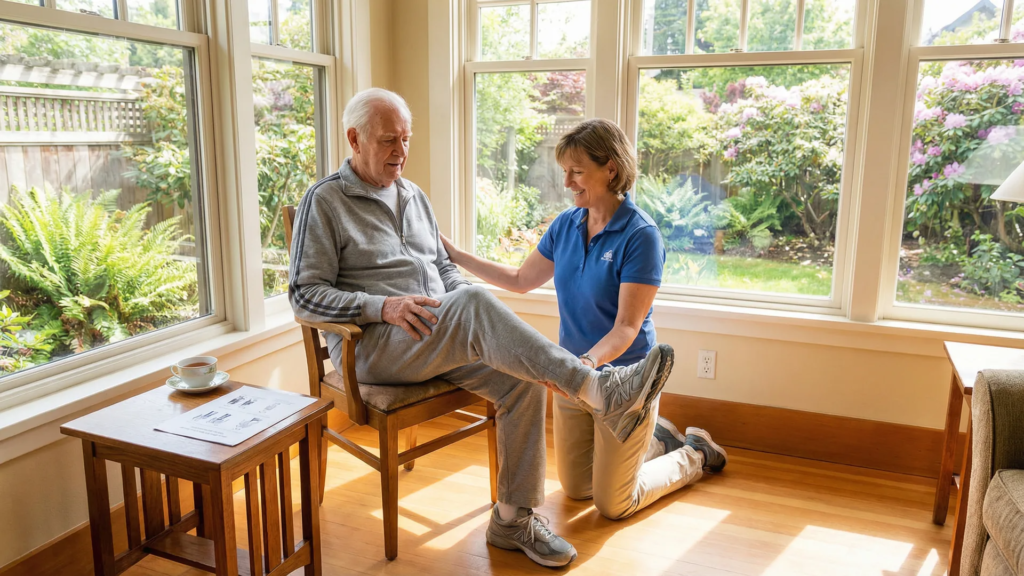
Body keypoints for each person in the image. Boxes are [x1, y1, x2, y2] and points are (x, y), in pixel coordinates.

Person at [289, 89, 676, 568]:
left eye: (406, 140)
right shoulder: (325, 200)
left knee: (523, 376)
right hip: (375, 350)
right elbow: (303, 295)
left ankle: (512, 518)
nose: (402, 152)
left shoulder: (414, 196)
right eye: (390, 140)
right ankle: (597, 389)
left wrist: (455, 297)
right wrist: (381, 306)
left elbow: (444, 272)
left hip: (433, 338)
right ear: (354, 138)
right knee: (473, 301)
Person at [441, 118, 728, 521]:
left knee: (614, 505)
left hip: (621, 380)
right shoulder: (566, 225)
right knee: (577, 490)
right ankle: (656, 437)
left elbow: (627, 327)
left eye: (577, 171)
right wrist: (455, 255)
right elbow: (521, 280)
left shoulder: (640, 235)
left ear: (610, 168)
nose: (567, 183)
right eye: (564, 172)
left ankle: (694, 451)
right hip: (573, 377)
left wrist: (588, 364)